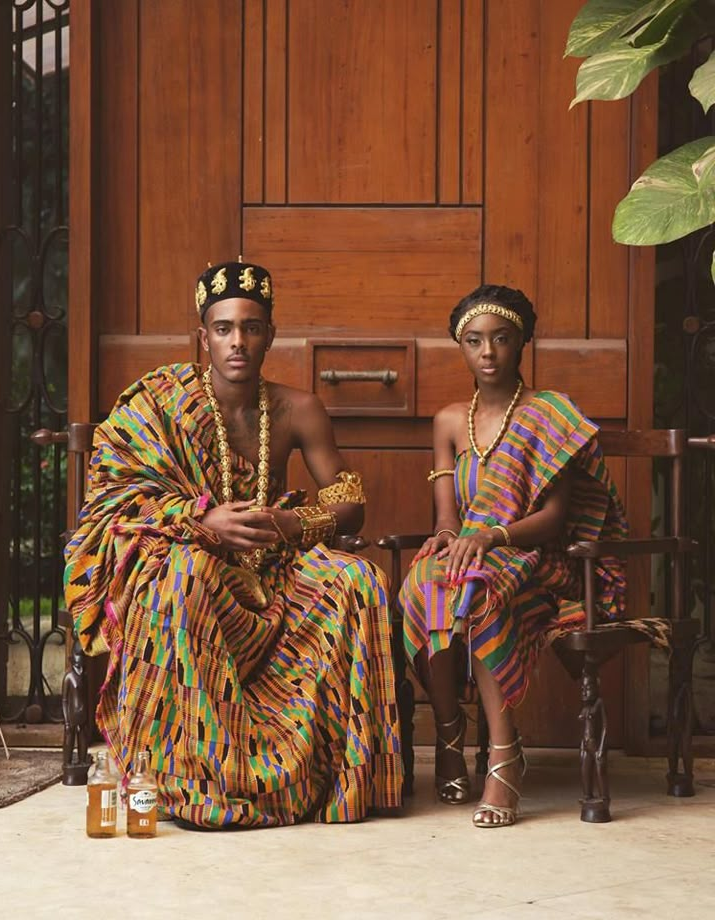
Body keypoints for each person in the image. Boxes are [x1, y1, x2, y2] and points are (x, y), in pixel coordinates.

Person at [64, 260, 402, 829]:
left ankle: (332, 778)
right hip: (192, 564)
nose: (237, 341)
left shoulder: (298, 408)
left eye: (250, 327)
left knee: (358, 579)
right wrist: (201, 522)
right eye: (223, 329)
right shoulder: (162, 404)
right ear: (204, 337)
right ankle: (191, 775)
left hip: (273, 570)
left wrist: (291, 525)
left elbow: (348, 497)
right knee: (180, 575)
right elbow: (112, 504)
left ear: (269, 334)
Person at [397, 284, 628, 827]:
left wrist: (492, 537)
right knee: (425, 584)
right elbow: (447, 514)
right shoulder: (449, 420)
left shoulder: (551, 416)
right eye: (474, 341)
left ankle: (504, 755)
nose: (488, 352)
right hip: (472, 550)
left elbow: (552, 519)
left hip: (537, 558)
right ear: (461, 346)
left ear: (522, 341)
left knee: (477, 591)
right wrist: (450, 536)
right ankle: (450, 734)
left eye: (501, 339)